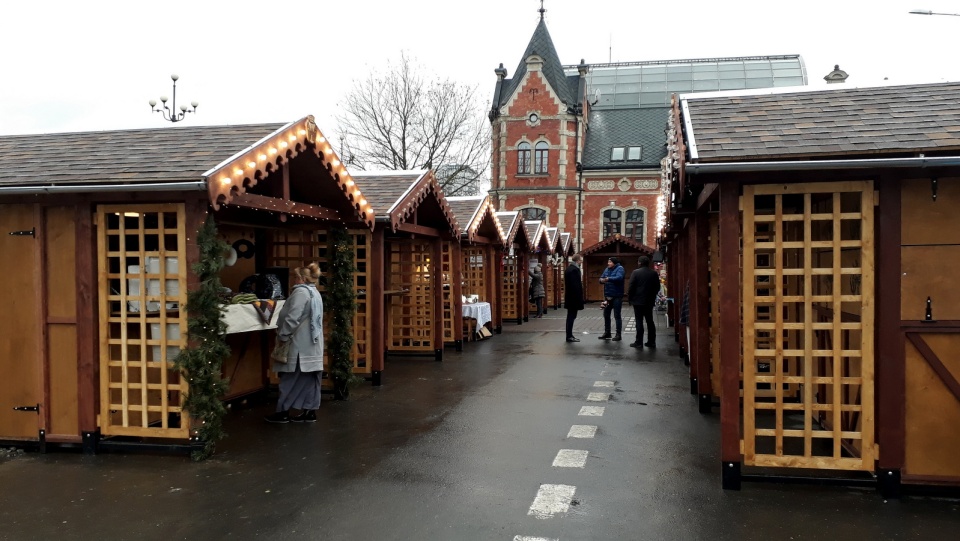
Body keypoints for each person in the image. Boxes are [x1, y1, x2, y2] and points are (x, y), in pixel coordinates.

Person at [265, 263, 324, 424]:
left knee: (290, 378)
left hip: (298, 345)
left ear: (301, 278)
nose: (293, 280)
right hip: (313, 344)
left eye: (296, 277)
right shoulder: (316, 293)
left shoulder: (300, 293)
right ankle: (309, 411)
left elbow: (292, 317)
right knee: (310, 379)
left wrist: (283, 335)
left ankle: (283, 411)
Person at [627, 255, 661, 348]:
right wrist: (652, 295)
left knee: (639, 321)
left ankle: (639, 342)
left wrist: (630, 298)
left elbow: (631, 286)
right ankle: (651, 341)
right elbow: (657, 287)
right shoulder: (653, 273)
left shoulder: (635, 272)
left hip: (638, 301)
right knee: (650, 321)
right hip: (649, 300)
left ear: (640, 263)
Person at [598, 257, 625, 341]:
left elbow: (619, 278)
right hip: (607, 296)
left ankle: (618, 334)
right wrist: (601, 280)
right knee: (606, 314)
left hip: (617, 295)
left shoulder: (620, 269)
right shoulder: (607, 269)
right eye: (608, 262)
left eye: (610, 262)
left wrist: (608, 279)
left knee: (617, 315)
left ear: (614, 262)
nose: (608, 263)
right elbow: (601, 278)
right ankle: (607, 333)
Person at [564, 254, 584, 342]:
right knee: (571, 316)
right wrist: (579, 298)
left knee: (570, 316)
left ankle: (569, 335)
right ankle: (569, 335)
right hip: (574, 297)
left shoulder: (569, 269)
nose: (581, 261)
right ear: (577, 260)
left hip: (570, 296)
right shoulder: (574, 270)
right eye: (581, 260)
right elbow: (576, 285)